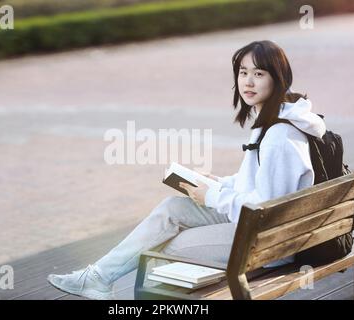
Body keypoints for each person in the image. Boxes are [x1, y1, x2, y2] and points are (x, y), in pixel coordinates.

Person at [47, 40, 326, 300]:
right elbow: (262, 185)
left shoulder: (279, 137)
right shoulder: (277, 120)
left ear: (278, 78)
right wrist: (220, 183)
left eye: (259, 73)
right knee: (172, 209)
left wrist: (213, 196)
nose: (248, 82)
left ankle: (123, 290)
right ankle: (97, 277)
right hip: (261, 228)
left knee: (163, 245)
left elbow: (266, 211)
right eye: (243, 72)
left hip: (269, 241)